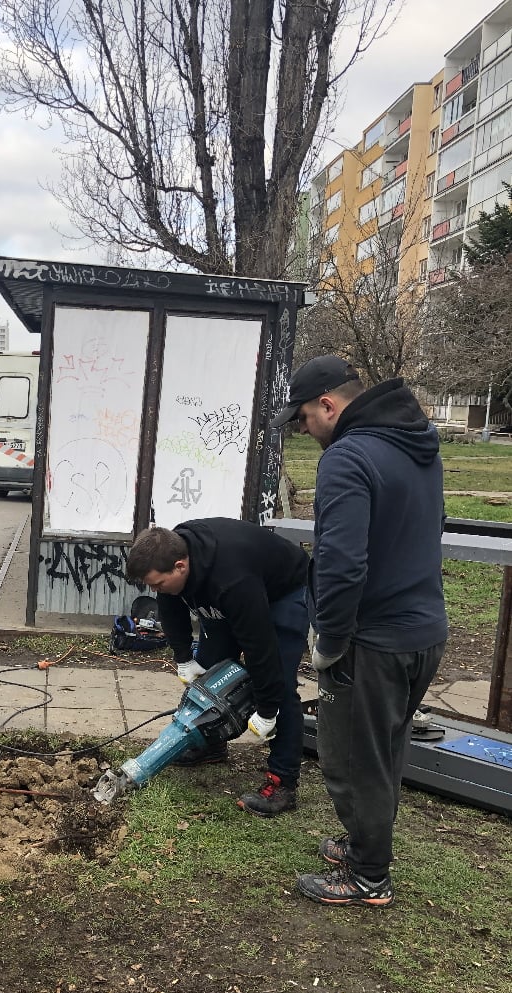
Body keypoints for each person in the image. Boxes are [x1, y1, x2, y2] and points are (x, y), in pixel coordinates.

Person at [272, 355, 447, 907]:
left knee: (351, 758)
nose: (303, 430)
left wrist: (329, 641)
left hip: (372, 641)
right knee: (385, 749)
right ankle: (364, 844)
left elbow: (341, 564)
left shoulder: (347, 457)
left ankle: (368, 876)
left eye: (302, 418)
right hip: (424, 631)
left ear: (328, 404)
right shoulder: (417, 445)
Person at [126, 520, 309, 815]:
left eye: (158, 584)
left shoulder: (233, 579)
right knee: (212, 674)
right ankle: (211, 746)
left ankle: (283, 782)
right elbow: (170, 607)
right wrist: (184, 658)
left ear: (181, 566)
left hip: (282, 592)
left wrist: (266, 710)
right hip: (229, 594)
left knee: (281, 685)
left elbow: (260, 648)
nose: (156, 590)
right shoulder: (168, 553)